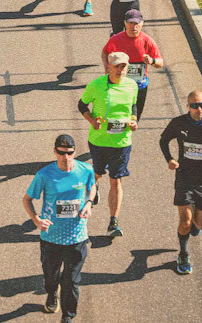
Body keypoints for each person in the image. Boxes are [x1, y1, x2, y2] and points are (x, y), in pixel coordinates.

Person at [23, 134, 95, 323]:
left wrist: (88, 203)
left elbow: (92, 187)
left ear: (74, 152)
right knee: (51, 276)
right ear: (55, 151)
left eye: (70, 153)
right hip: (51, 238)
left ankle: (67, 317)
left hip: (77, 237)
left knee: (71, 281)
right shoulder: (45, 175)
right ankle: (51, 292)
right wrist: (36, 220)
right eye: (62, 153)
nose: (66, 157)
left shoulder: (85, 170)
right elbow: (27, 199)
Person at [159, 91, 202, 274]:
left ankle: (196, 226)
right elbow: (164, 140)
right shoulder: (178, 123)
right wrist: (169, 159)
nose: (199, 109)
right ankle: (183, 254)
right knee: (185, 222)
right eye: (195, 106)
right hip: (185, 177)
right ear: (188, 106)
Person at [77, 52, 138, 238]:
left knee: (116, 179)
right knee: (97, 173)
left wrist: (134, 120)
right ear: (109, 67)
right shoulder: (96, 85)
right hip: (99, 140)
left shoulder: (132, 85)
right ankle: (92, 190)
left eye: (124, 66)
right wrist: (92, 121)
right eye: (117, 66)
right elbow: (82, 105)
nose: (121, 70)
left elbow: (134, 106)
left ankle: (113, 221)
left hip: (121, 142)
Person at [102, 9, 163, 121]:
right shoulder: (116, 39)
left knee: (134, 118)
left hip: (139, 86)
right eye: (131, 23)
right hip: (120, 84)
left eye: (136, 23)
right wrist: (107, 67)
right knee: (118, 115)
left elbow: (160, 62)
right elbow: (105, 52)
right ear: (125, 23)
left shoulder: (147, 40)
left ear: (142, 23)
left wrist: (152, 61)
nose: (134, 26)